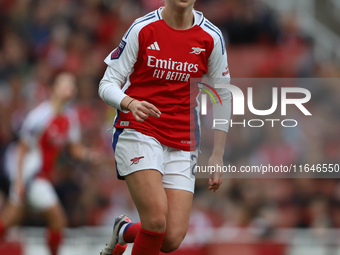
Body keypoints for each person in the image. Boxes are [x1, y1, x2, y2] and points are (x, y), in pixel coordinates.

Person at [98, 0, 231, 254]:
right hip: (139, 128)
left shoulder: (211, 37)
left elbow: (223, 95)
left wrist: (218, 154)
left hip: (182, 138)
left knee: (170, 239)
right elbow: (107, 84)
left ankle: (124, 231)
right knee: (156, 221)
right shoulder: (142, 29)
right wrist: (129, 102)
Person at [0, 72, 98, 255]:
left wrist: (88, 154)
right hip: (32, 176)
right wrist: (20, 180)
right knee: (58, 220)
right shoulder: (40, 116)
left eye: (72, 84)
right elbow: (21, 149)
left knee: (9, 221)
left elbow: (72, 147)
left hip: (41, 177)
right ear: (54, 88)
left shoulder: (70, 117)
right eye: (65, 83)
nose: (71, 87)